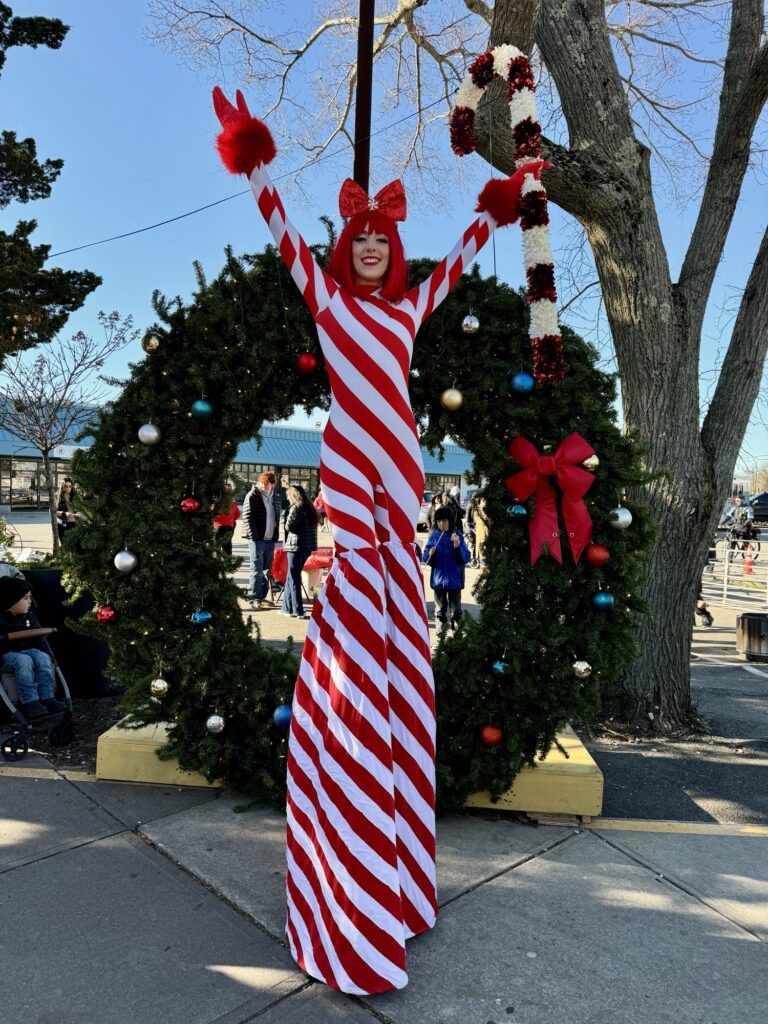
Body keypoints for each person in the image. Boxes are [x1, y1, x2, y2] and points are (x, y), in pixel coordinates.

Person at [213, 85, 546, 994]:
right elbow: (284, 236)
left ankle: (392, 867)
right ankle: (351, 887)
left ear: (392, 248)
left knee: (397, 626)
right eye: (359, 236)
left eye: (380, 239)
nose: (369, 246)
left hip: (400, 488)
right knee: (358, 627)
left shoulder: (407, 311)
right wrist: (255, 163)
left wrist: (496, 206)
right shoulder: (327, 303)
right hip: (352, 491)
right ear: (346, 247)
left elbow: (462, 261)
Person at [0, 576, 66, 718]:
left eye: (30, 598)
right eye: (26, 598)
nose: (30, 601)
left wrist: (49, 655)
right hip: (7, 652)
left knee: (42, 657)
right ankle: (30, 701)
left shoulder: (29, 616)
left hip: (27, 650)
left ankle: (47, 697)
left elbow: (39, 640)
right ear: (11, 601)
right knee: (23, 660)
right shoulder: (2, 620)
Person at [422, 505, 471, 634]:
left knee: (456, 610)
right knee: (440, 610)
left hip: (454, 580)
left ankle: (457, 635)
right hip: (438, 580)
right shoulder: (434, 536)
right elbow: (426, 557)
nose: (441, 524)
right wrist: (429, 554)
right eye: (439, 521)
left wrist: (457, 545)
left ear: (450, 520)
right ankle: (441, 634)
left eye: (444, 520)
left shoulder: (457, 535)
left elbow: (466, 557)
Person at [242, 471, 281, 609]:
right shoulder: (252, 495)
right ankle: (253, 598)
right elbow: (247, 517)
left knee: (266, 570)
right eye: (263, 483)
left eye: (267, 484)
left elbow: (277, 517)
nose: (264, 486)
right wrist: (254, 537)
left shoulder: (275, 497)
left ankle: (262, 596)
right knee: (256, 569)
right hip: (257, 540)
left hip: (270, 539)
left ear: (273, 485)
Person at [279, 485, 319, 618]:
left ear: (293, 496)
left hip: (295, 546)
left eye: (288, 496)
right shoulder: (310, 508)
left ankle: (297, 610)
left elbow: (290, 526)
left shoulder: (296, 508)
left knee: (294, 578)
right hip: (307, 546)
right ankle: (287, 608)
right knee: (291, 577)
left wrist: (285, 518)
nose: (288, 499)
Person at [212, 485, 241, 556]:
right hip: (229, 527)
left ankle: (217, 561)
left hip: (218, 528)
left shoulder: (217, 503)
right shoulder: (233, 502)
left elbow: (212, 515)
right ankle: (227, 561)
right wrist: (230, 520)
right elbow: (238, 514)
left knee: (216, 548)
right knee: (227, 547)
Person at [56, 479, 77, 546]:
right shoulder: (58, 496)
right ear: (62, 486)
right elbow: (52, 512)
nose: (68, 488)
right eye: (66, 486)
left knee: (74, 546)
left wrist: (77, 514)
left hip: (74, 524)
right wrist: (65, 514)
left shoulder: (75, 496)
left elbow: (81, 510)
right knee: (65, 546)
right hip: (62, 524)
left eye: (70, 486)